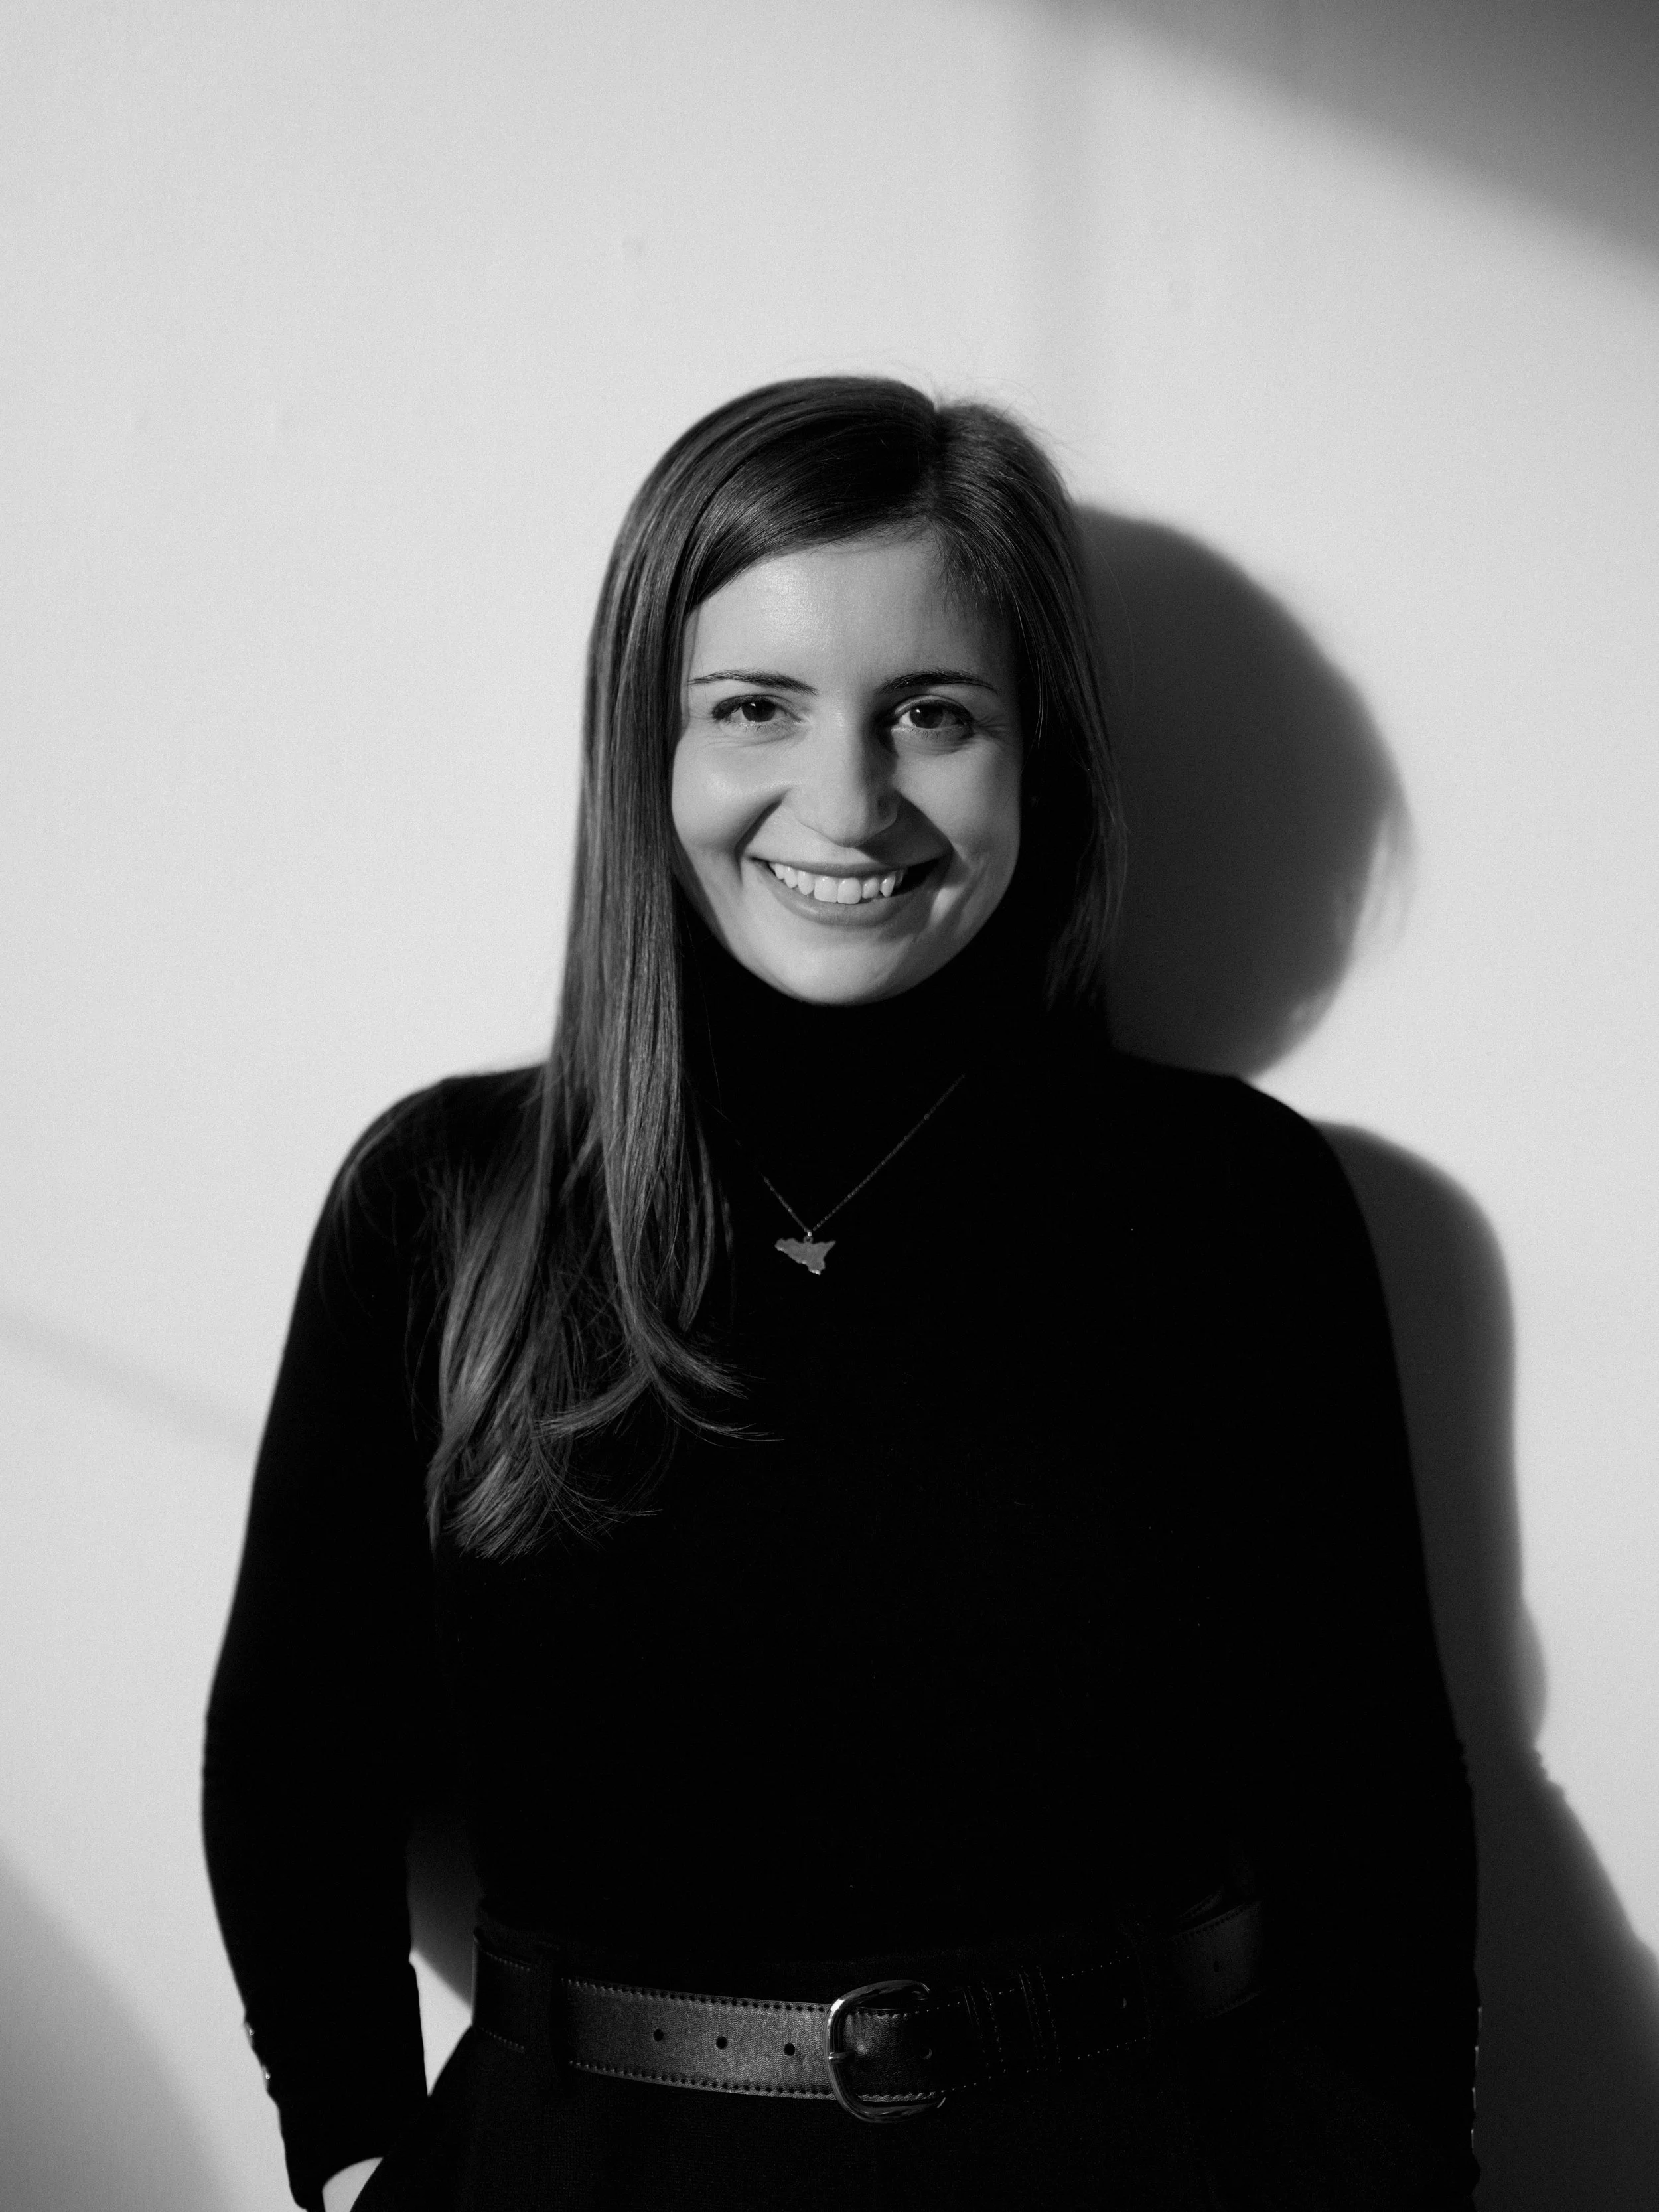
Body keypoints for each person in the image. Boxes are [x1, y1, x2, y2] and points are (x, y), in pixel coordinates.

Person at [203, 376, 1479, 2211]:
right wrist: (347, 2148)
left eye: (931, 713)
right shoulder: (451, 1200)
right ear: (645, 742)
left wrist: (1402, 2162)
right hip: (591, 2177)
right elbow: (296, 1754)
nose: (847, 798)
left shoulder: (1231, 1198)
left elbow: (1371, 1788)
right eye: (754, 708)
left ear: (1037, 745)